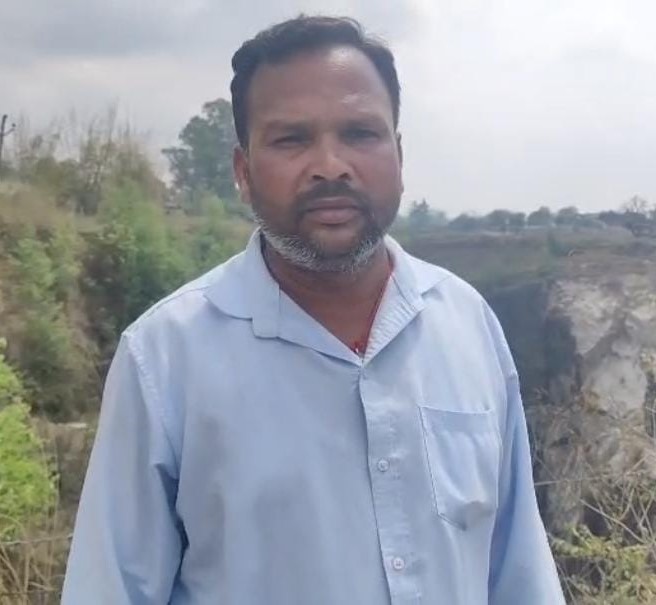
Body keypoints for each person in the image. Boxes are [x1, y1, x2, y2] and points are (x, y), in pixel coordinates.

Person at [62, 15, 565, 605]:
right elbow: (110, 587)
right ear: (243, 173)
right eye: (292, 139)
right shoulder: (166, 359)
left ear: (399, 155)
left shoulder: (467, 324)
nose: (331, 165)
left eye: (360, 133)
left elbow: (517, 570)